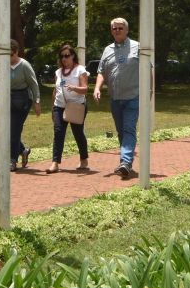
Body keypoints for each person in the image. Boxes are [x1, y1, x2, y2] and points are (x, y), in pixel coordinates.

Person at [93, 17, 142, 179]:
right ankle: (126, 163)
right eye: (114, 28)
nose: (117, 30)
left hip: (133, 97)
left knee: (128, 129)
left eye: (120, 28)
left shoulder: (137, 47)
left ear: (127, 30)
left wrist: (149, 90)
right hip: (115, 98)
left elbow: (149, 68)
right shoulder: (107, 50)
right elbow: (101, 71)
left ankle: (126, 161)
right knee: (121, 131)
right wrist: (97, 87)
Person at [0, 40, 41, 170]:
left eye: (11, 55)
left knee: (15, 129)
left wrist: (37, 102)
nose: (9, 58)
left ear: (16, 52)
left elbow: (33, 84)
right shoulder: (3, 65)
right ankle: (23, 150)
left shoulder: (24, 65)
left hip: (23, 100)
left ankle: (12, 160)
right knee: (7, 130)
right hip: (7, 99)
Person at [49, 43, 89, 173]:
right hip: (59, 106)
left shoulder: (80, 70)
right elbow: (56, 90)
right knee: (58, 132)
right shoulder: (58, 72)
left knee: (78, 133)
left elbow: (85, 89)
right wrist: (52, 108)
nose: (64, 59)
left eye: (67, 56)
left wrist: (74, 88)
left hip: (76, 106)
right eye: (62, 56)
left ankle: (84, 159)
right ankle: (55, 163)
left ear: (73, 56)